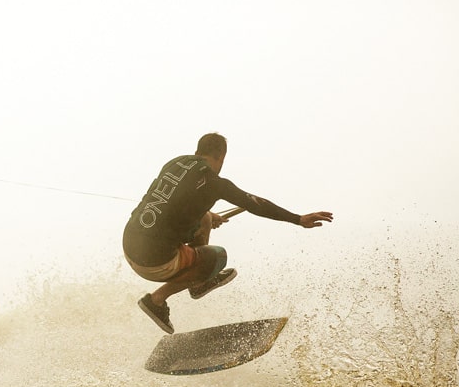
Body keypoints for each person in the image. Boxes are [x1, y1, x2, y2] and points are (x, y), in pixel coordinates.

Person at [122, 133, 332, 334]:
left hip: (130, 244)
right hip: (154, 261)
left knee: (205, 217)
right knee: (217, 257)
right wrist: (298, 219)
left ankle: (199, 283)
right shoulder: (214, 183)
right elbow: (255, 204)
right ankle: (157, 299)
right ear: (221, 156)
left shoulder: (176, 163)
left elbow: (173, 200)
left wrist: (207, 215)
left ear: (198, 151)